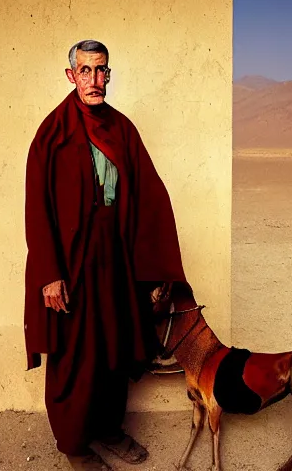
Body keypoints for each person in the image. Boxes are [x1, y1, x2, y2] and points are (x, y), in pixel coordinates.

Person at [23, 40, 190, 470]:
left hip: (115, 257)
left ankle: (108, 429)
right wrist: (49, 274)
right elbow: (37, 208)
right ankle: (76, 446)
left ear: (109, 75)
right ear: (71, 75)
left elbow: (149, 195)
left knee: (114, 347)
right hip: (71, 263)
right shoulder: (52, 132)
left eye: (102, 71)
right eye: (86, 71)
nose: (94, 80)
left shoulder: (121, 128)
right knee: (75, 355)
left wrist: (154, 268)